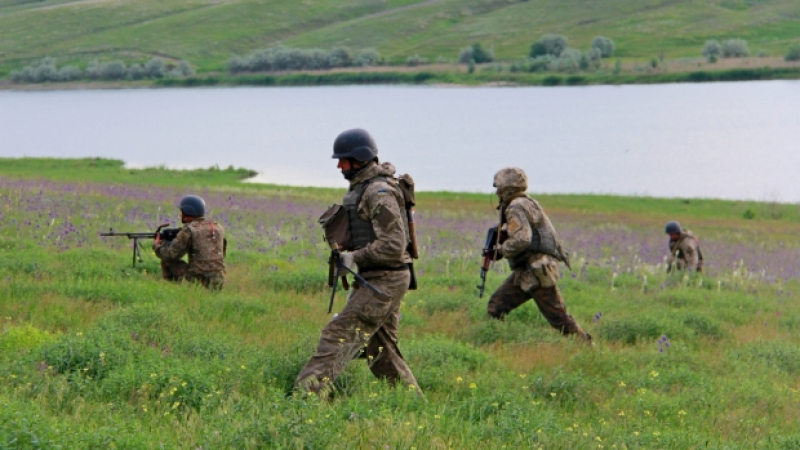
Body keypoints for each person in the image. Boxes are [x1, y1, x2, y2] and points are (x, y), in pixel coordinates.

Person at [295, 128, 421, 397]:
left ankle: (303, 399)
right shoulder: (364, 188)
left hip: (385, 279)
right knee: (380, 349)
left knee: (337, 336)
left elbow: (393, 244)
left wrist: (354, 257)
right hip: (379, 276)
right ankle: (411, 403)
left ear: (361, 158)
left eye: (344, 160)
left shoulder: (378, 193)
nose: (339, 166)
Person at [484, 167, 591, 342]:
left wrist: (501, 251)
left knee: (559, 318)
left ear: (509, 188)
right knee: (496, 306)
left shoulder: (515, 207)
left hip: (536, 271)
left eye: (500, 188)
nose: (497, 192)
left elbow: (522, 239)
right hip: (527, 271)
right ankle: (497, 344)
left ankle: (587, 347)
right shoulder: (526, 203)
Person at [153, 195, 227, 290]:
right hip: (219, 280)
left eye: (182, 212)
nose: (180, 215)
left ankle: (176, 290)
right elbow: (222, 253)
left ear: (188, 211)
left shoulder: (189, 230)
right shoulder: (218, 228)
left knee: (167, 261)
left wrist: (157, 246)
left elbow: (171, 254)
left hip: (199, 280)